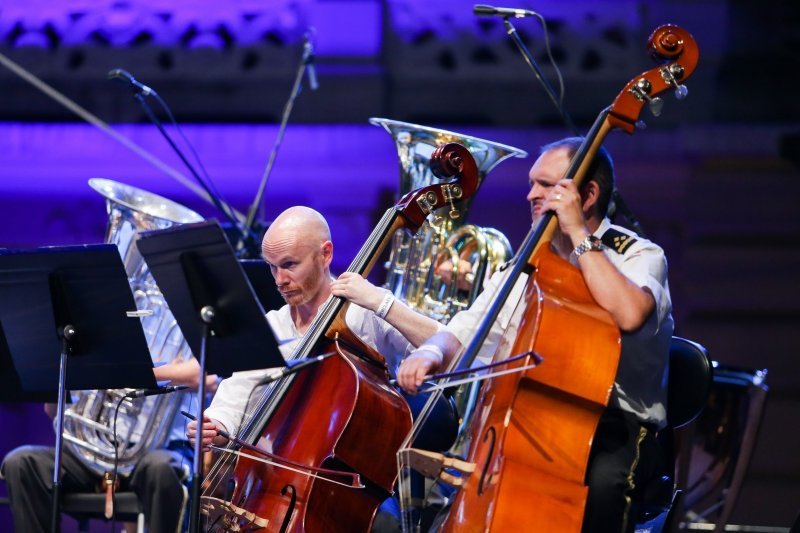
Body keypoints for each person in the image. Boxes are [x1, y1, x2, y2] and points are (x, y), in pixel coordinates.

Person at [397, 137, 674, 533]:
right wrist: (429, 353)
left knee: (602, 491)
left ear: (587, 194)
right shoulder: (525, 265)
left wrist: (578, 232)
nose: (531, 194)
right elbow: (464, 331)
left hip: (616, 431)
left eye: (547, 185)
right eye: (532, 183)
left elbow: (629, 315)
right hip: (532, 421)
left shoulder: (638, 255)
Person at [186, 206, 442, 531]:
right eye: (272, 267)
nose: (280, 280)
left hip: (352, 488)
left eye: (290, 265)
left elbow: (445, 347)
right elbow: (232, 401)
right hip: (272, 485)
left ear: (325, 254)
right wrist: (215, 425)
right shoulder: (270, 327)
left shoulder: (365, 311)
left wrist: (382, 303)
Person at [1, 359, 218, 533]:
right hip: (90, 451)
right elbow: (53, 412)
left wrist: (123, 372)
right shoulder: (105, 323)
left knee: (163, 467)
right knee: (22, 462)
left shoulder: (183, 317)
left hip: (158, 450)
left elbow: (205, 376)